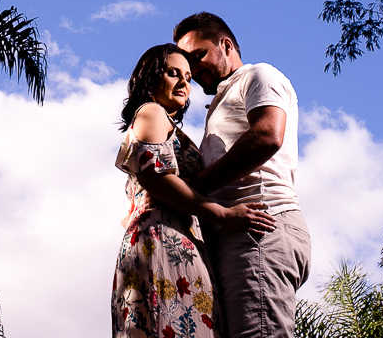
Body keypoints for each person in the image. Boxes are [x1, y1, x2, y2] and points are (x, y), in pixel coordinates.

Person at [112, 43, 275, 338]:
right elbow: (155, 175)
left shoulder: (167, 123)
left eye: (188, 77)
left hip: (181, 240)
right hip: (161, 237)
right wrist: (221, 214)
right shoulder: (151, 112)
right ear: (150, 77)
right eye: (173, 73)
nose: (184, 83)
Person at [174, 12, 311, 338]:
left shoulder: (259, 75)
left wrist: (198, 186)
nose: (193, 69)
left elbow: (267, 136)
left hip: (258, 228)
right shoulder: (222, 100)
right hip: (236, 234)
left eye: (198, 55)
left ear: (226, 45)